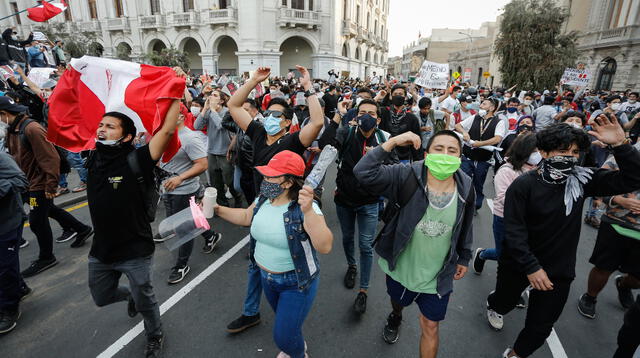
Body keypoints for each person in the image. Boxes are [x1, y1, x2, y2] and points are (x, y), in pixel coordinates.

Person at [486, 117, 640, 358]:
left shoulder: (583, 180)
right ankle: (495, 303)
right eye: (562, 150)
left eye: (575, 152)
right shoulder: (524, 185)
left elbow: (633, 179)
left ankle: (514, 354)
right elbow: (514, 231)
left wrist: (621, 145)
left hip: (559, 269)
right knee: (504, 302)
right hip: (518, 263)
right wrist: (531, 267)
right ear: (544, 152)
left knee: (541, 327)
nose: (569, 157)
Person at [84, 69, 183, 357]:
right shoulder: (92, 157)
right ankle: (129, 298)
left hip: (135, 250)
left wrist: (175, 89)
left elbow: (165, 131)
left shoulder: (137, 158)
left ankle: (155, 334)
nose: (102, 129)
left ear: (127, 136)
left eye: (110, 126)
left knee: (147, 300)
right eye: (101, 125)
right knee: (102, 297)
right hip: (101, 250)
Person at [353, 130, 474, 358]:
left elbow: (466, 224)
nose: (445, 155)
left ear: (460, 157)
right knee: (398, 301)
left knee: (430, 326)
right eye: (439, 149)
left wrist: (465, 256)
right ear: (426, 154)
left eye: (452, 151)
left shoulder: (466, 184)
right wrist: (393, 142)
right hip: (401, 267)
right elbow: (363, 172)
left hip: (438, 276)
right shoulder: (406, 174)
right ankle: (396, 315)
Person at [226, 65, 324, 334]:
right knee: (254, 262)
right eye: (268, 112)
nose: (270, 117)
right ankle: (250, 312)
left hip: (288, 211)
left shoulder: (294, 141)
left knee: (287, 255)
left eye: (277, 115)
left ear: (286, 122)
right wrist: (253, 81)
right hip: (262, 205)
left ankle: (293, 300)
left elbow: (316, 122)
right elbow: (234, 106)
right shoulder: (257, 132)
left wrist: (308, 86)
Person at [214, 150, 333, 358]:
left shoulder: (304, 207)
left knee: (282, 337)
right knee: (287, 326)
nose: (264, 179)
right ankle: (295, 345)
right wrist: (216, 209)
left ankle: (297, 354)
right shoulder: (263, 199)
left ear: (287, 182)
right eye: (265, 174)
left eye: (271, 176)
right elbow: (245, 216)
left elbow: (325, 245)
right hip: (266, 279)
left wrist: (308, 212)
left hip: (296, 284)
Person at [2, 97, 93, 277]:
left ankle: (46, 257)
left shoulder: (32, 129)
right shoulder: (13, 130)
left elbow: (50, 158)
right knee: (49, 210)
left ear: (4, 114)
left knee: (36, 221)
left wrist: (51, 185)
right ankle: (82, 229)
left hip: (39, 183)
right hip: (27, 182)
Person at [318, 98, 393, 314]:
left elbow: (394, 167)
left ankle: (364, 291)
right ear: (356, 115)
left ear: (378, 119)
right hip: (344, 199)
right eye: (362, 112)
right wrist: (338, 117)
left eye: (371, 113)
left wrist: (376, 158)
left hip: (369, 202)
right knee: (348, 238)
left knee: (366, 245)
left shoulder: (384, 139)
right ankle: (352, 266)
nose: (366, 116)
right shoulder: (347, 133)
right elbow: (325, 145)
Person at [473, 134, 539, 309]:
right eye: (535, 151)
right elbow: (503, 199)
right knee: (505, 257)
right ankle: (484, 257)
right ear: (524, 151)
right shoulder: (507, 170)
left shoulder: (541, 168)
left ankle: (511, 291)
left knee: (521, 256)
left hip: (531, 221)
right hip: (505, 219)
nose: (538, 154)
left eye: (540, 151)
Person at [577, 142, 640, 319]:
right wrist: (620, 201)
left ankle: (624, 285)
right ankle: (590, 297)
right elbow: (598, 186)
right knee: (604, 268)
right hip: (616, 224)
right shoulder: (624, 158)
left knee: (637, 278)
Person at [159, 107, 222, 284]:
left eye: (166, 114)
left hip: (184, 190)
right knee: (190, 219)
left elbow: (202, 164)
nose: (163, 117)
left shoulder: (189, 137)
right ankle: (211, 236)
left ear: (179, 116)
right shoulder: (164, 135)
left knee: (182, 227)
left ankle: (181, 265)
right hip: (168, 190)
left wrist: (180, 178)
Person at [454, 98, 505, 212]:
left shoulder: (498, 122)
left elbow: (498, 138)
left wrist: (480, 144)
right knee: (463, 180)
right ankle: (460, 202)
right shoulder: (475, 117)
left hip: (483, 159)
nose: (480, 106)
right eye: (481, 103)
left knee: (478, 183)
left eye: (484, 104)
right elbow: (458, 125)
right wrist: (465, 132)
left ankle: (475, 206)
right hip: (467, 156)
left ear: (491, 108)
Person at [194, 89, 243, 207]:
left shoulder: (228, 112)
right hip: (211, 151)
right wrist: (205, 109)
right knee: (216, 182)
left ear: (221, 101)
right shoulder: (209, 111)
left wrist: (212, 110)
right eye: (210, 95)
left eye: (214, 95)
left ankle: (238, 200)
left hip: (225, 152)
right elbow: (197, 126)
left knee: (229, 180)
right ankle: (222, 205)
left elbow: (221, 125)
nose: (211, 97)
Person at [0, 151, 30, 334]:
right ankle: (19, 287)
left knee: (4, 267)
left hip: (7, 222)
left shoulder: (1, 158)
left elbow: (21, 181)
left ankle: (9, 309)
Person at [379, 84, 423, 163]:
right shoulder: (383, 113)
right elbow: (366, 110)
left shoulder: (412, 118)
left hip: (404, 159)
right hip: (385, 157)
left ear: (405, 97)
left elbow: (417, 142)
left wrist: (418, 163)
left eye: (400, 94)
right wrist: (377, 98)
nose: (398, 96)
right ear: (391, 96)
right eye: (395, 94)